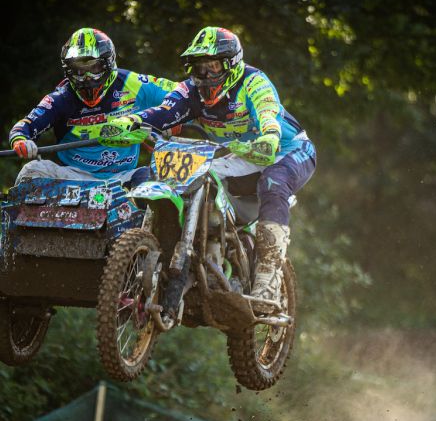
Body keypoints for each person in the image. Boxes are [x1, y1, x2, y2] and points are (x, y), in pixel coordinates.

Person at [110, 26, 316, 312]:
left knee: (274, 182)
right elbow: (164, 112)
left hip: (286, 150)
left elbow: (268, 112)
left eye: (213, 66)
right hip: (238, 154)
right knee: (187, 178)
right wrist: (131, 121)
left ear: (231, 64)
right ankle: (191, 257)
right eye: (199, 66)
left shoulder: (253, 82)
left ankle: (268, 275)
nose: (205, 73)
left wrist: (269, 136)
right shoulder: (191, 90)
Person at [9, 27, 178, 186]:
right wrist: (21, 140)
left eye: (94, 67)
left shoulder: (133, 82)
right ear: (68, 70)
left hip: (123, 177)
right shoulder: (60, 98)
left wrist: (171, 116)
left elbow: (181, 93)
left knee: (161, 179)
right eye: (79, 70)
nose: (87, 77)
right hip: (74, 177)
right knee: (32, 170)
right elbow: (25, 125)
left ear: (108, 62)